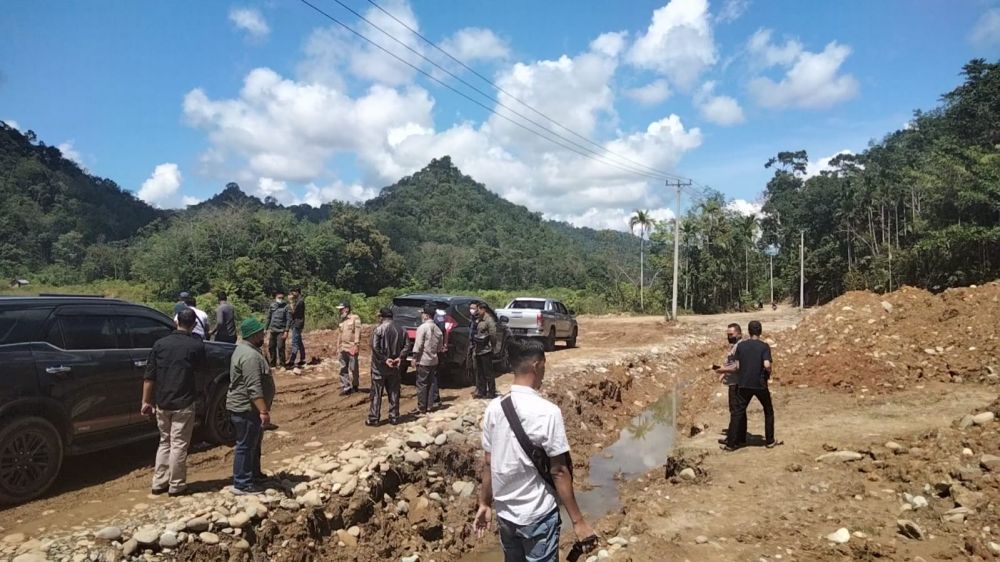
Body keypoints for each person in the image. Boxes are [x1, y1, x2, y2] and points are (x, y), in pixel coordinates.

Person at [474, 339, 597, 562]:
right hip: (537, 515)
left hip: (505, 517)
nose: (543, 373)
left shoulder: (494, 408)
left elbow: (489, 462)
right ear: (536, 365)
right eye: (544, 367)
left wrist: (484, 503)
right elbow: (558, 471)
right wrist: (578, 522)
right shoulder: (547, 412)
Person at [141, 308, 206, 497]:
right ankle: (177, 485)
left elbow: (149, 376)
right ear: (194, 325)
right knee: (178, 444)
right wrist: (201, 396)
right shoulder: (195, 346)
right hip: (184, 401)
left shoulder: (160, 344)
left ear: (176, 321)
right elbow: (201, 372)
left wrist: (146, 401)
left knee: (164, 442)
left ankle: (159, 482)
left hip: (162, 401)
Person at [227, 318, 276, 494]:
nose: (263, 335)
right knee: (245, 445)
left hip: (248, 408)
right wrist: (263, 410)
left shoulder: (247, 350)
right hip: (246, 408)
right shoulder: (249, 356)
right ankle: (242, 483)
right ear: (254, 335)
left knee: (253, 443)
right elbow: (253, 386)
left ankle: (254, 474)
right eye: (261, 333)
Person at [719, 320, 776, 450]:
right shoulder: (764, 346)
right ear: (760, 331)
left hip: (744, 384)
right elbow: (767, 364)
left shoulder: (741, 346)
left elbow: (738, 366)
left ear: (749, 332)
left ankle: (731, 444)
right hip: (760, 384)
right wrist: (768, 371)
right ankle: (770, 441)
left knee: (737, 412)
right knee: (768, 411)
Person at [367, 307, 407, 426]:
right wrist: (400, 357)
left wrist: (385, 359)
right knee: (394, 391)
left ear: (381, 317)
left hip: (379, 367)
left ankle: (374, 418)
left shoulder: (378, 330)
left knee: (376, 393)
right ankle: (394, 417)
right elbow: (407, 346)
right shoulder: (401, 330)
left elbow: (375, 347)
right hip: (395, 366)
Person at [712, 323, 743, 446]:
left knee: (735, 410)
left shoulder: (739, 346)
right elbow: (732, 363)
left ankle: (733, 439)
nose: (729, 337)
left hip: (736, 382)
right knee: (739, 410)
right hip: (733, 380)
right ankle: (739, 436)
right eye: (728, 335)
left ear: (739, 334)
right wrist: (723, 373)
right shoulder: (735, 345)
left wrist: (723, 370)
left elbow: (737, 366)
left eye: (731, 334)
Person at [411, 302, 444, 415]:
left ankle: (421, 407)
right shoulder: (438, 329)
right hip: (434, 360)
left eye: (422, 314)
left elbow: (418, 344)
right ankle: (429, 406)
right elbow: (440, 348)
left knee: (422, 384)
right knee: (431, 384)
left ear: (426, 315)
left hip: (423, 360)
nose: (421, 316)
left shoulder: (422, 327)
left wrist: (414, 358)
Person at [470, 302, 498, 399]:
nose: (477, 311)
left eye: (479, 309)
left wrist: (492, 347)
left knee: (488, 373)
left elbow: (493, 335)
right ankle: (481, 391)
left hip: (486, 350)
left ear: (483, 309)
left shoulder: (489, 320)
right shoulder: (479, 319)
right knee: (479, 372)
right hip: (478, 349)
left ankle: (491, 392)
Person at [337, 301, 362, 396]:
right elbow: (339, 334)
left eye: (341, 309)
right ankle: (346, 386)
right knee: (343, 368)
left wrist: (356, 345)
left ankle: (355, 385)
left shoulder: (355, 318)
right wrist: (337, 347)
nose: (340, 311)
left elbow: (357, 333)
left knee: (353, 368)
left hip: (351, 347)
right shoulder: (342, 320)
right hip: (343, 347)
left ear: (347, 309)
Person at [264, 290, 292, 368]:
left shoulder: (286, 306)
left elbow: (289, 319)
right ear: (276, 297)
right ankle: (272, 364)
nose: (280, 299)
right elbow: (268, 317)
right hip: (273, 330)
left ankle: (282, 365)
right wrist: (265, 329)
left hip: (281, 331)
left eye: (282, 297)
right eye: (279, 297)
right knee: (271, 347)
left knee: (280, 347)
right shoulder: (272, 305)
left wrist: (286, 331)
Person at [286, 288, 307, 368]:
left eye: (293, 292)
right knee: (299, 342)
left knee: (295, 342)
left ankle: (292, 361)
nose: (292, 294)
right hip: (297, 324)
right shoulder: (298, 301)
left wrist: (291, 302)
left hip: (297, 324)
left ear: (297, 292)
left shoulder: (300, 302)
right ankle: (303, 359)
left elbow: (293, 312)